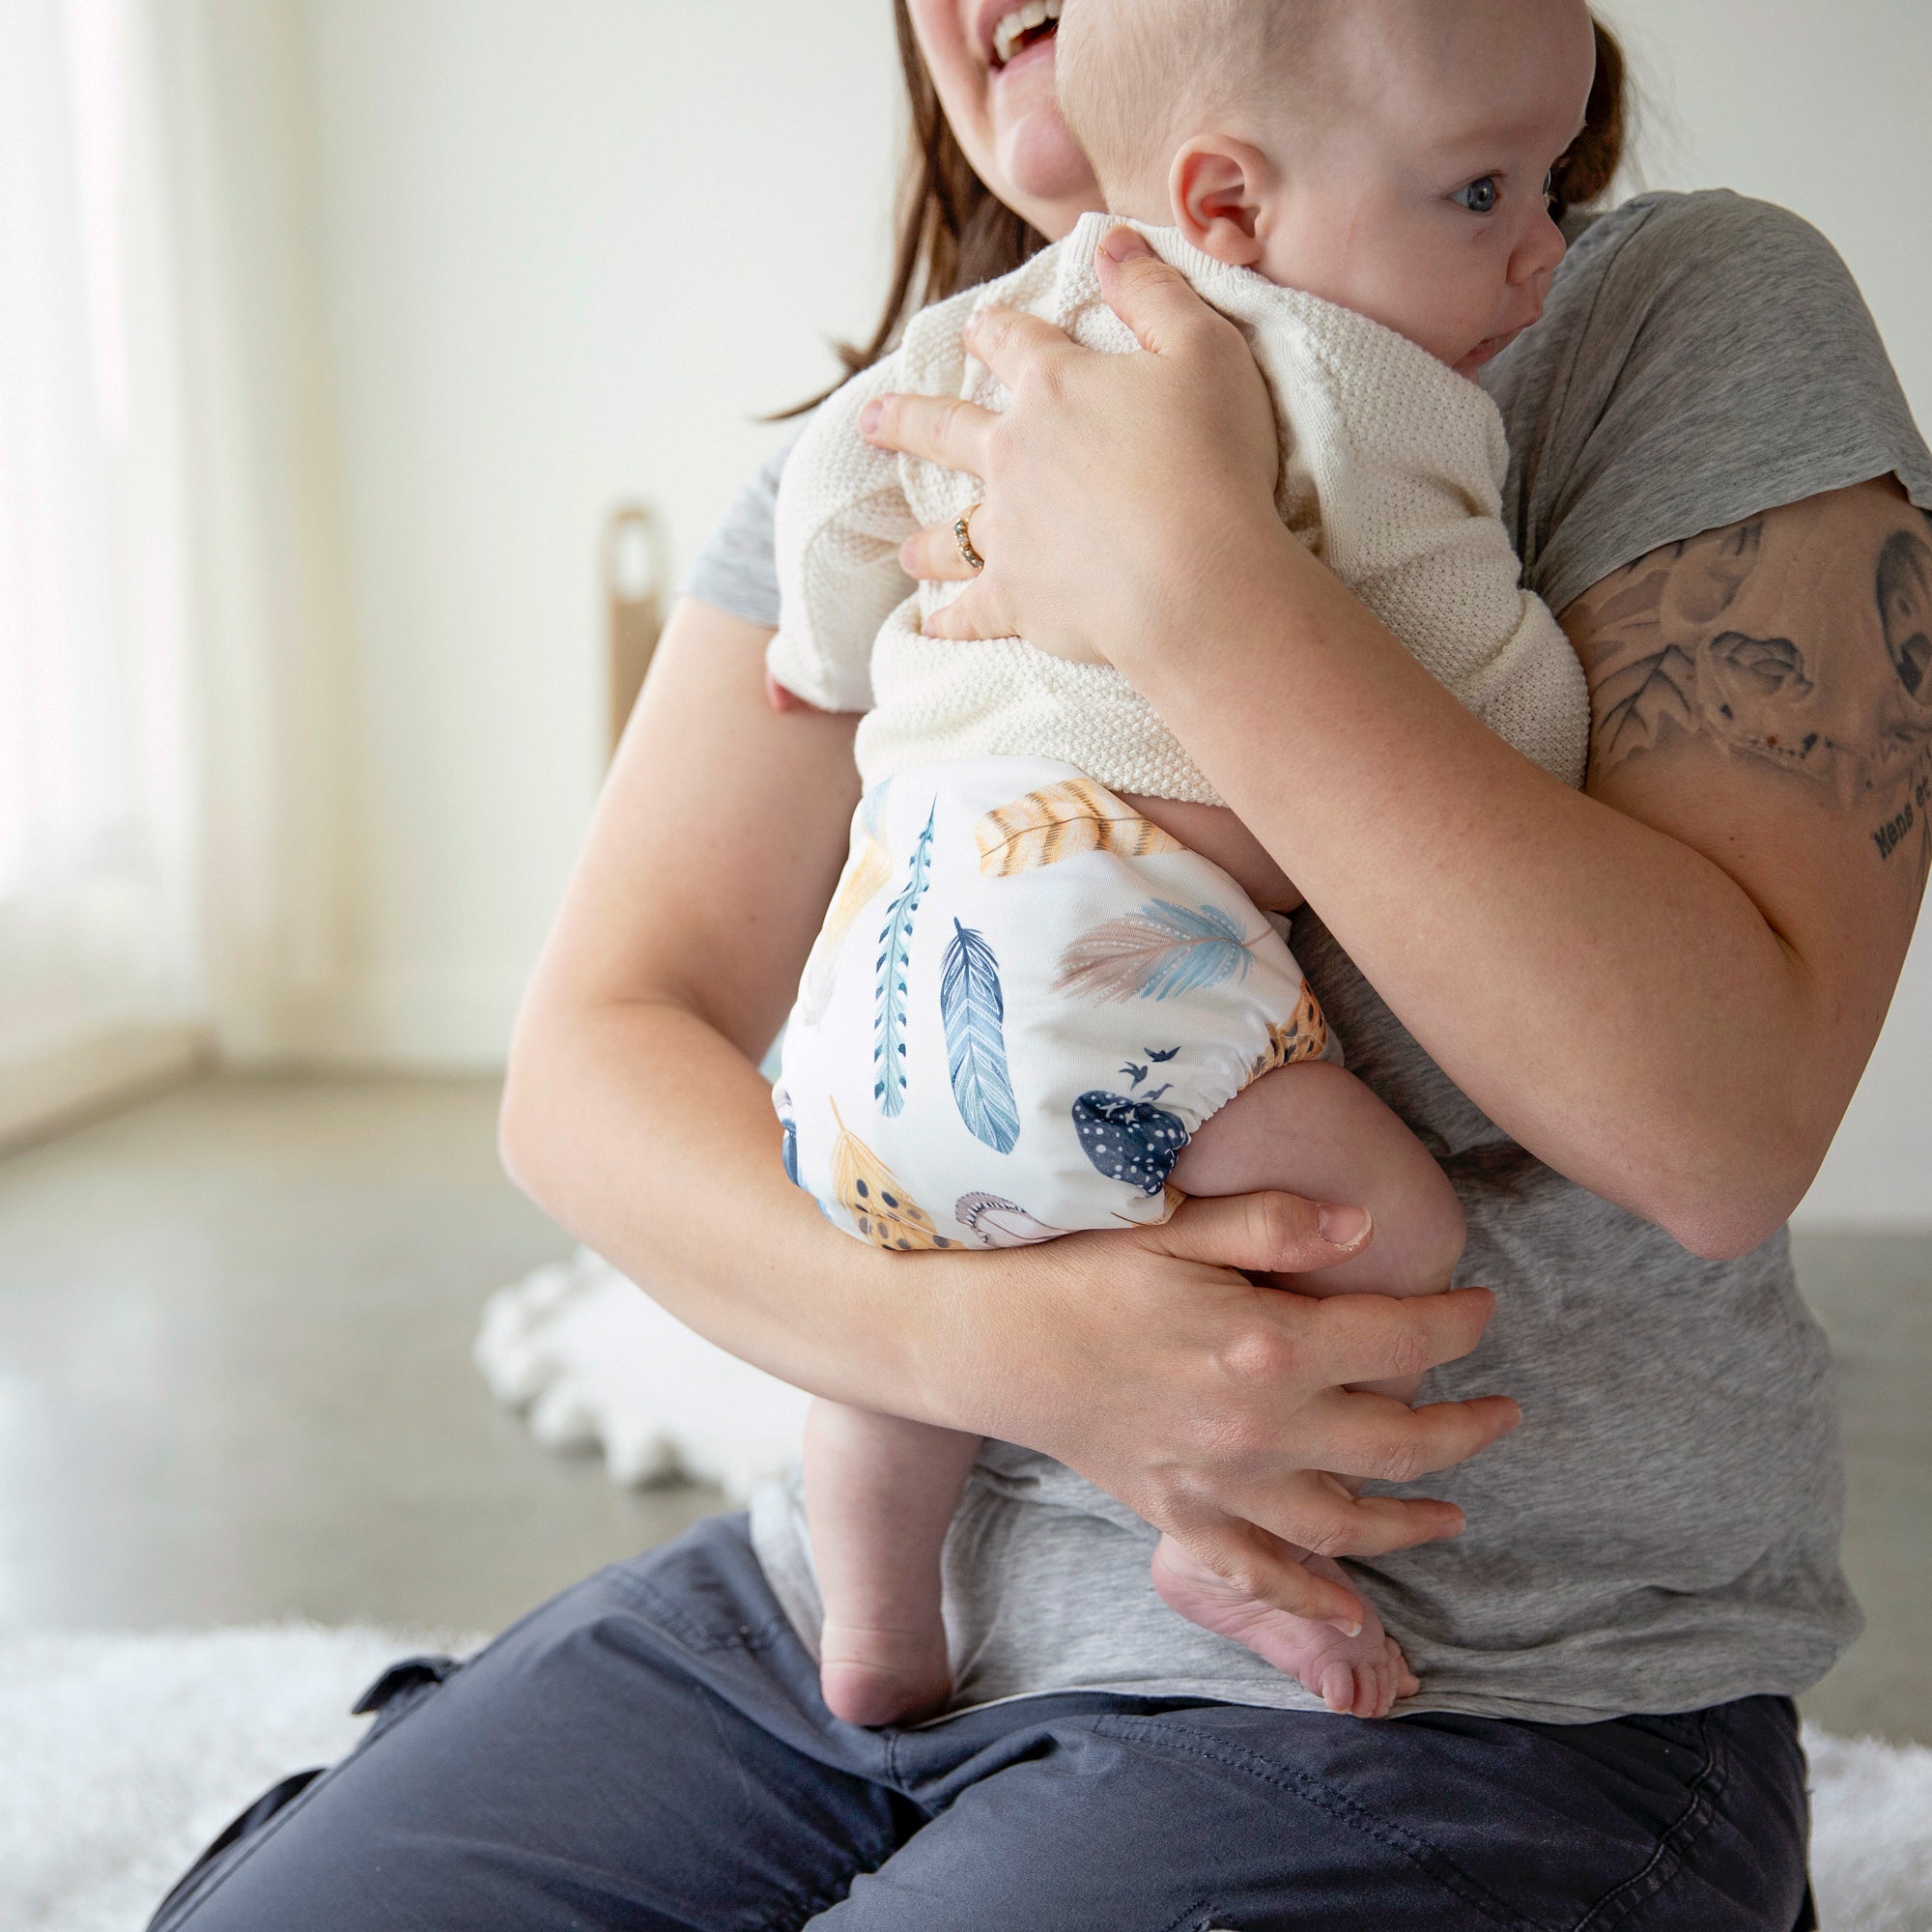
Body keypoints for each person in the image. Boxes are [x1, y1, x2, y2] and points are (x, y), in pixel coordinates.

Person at [150, 0, 1931, 1924]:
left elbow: (1718, 1121)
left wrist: (1185, 571)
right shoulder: (920, 414)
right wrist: (1000, 1354)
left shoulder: (1653, 316)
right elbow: (590, 1061)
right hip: (838, 1617)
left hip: (1465, 1697)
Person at [771, 0, 1601, 1729]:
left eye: (1545, 187)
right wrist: (1547, 737)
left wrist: (820, 646)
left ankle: (874, 1611)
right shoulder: (1357, 381)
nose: (1538, 254)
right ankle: (1222, 1539)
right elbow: (1469, 655)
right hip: (1097, 939)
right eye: (1482, 195)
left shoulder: (1009, 322)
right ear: (1230, 208)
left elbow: (844, 465)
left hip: (875, 961)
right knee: (1392, 1224)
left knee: (904, 1292)